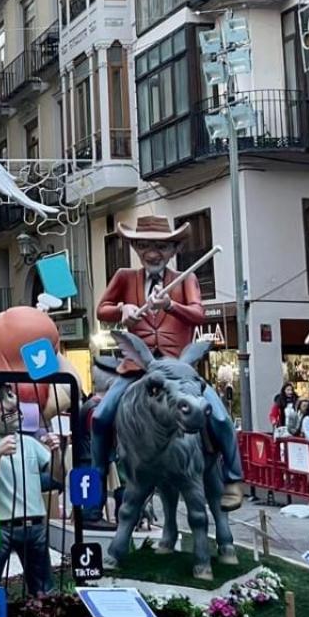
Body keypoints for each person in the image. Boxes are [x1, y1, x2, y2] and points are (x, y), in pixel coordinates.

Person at [93, 215, 244, 510]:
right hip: (139, 369)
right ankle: (98, 473)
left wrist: (170, 305)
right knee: (101, 416)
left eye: (161, 247)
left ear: (173, 249)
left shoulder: (186, 278)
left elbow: (199, 314)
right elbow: (103, 309)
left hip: (179, 372)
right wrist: (124, 308)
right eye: (146, 245)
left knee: (221, 419)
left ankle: (233, 478)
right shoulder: (124, 277)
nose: (153, 252)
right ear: (136, 247)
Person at [0, 383, 62, 597]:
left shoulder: (29, 442)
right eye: (2, 400)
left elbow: (58, 477)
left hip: (35, 524)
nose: (12, 405)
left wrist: (56, 453)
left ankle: (43, 612)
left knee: (43, 584)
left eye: (10, 396)